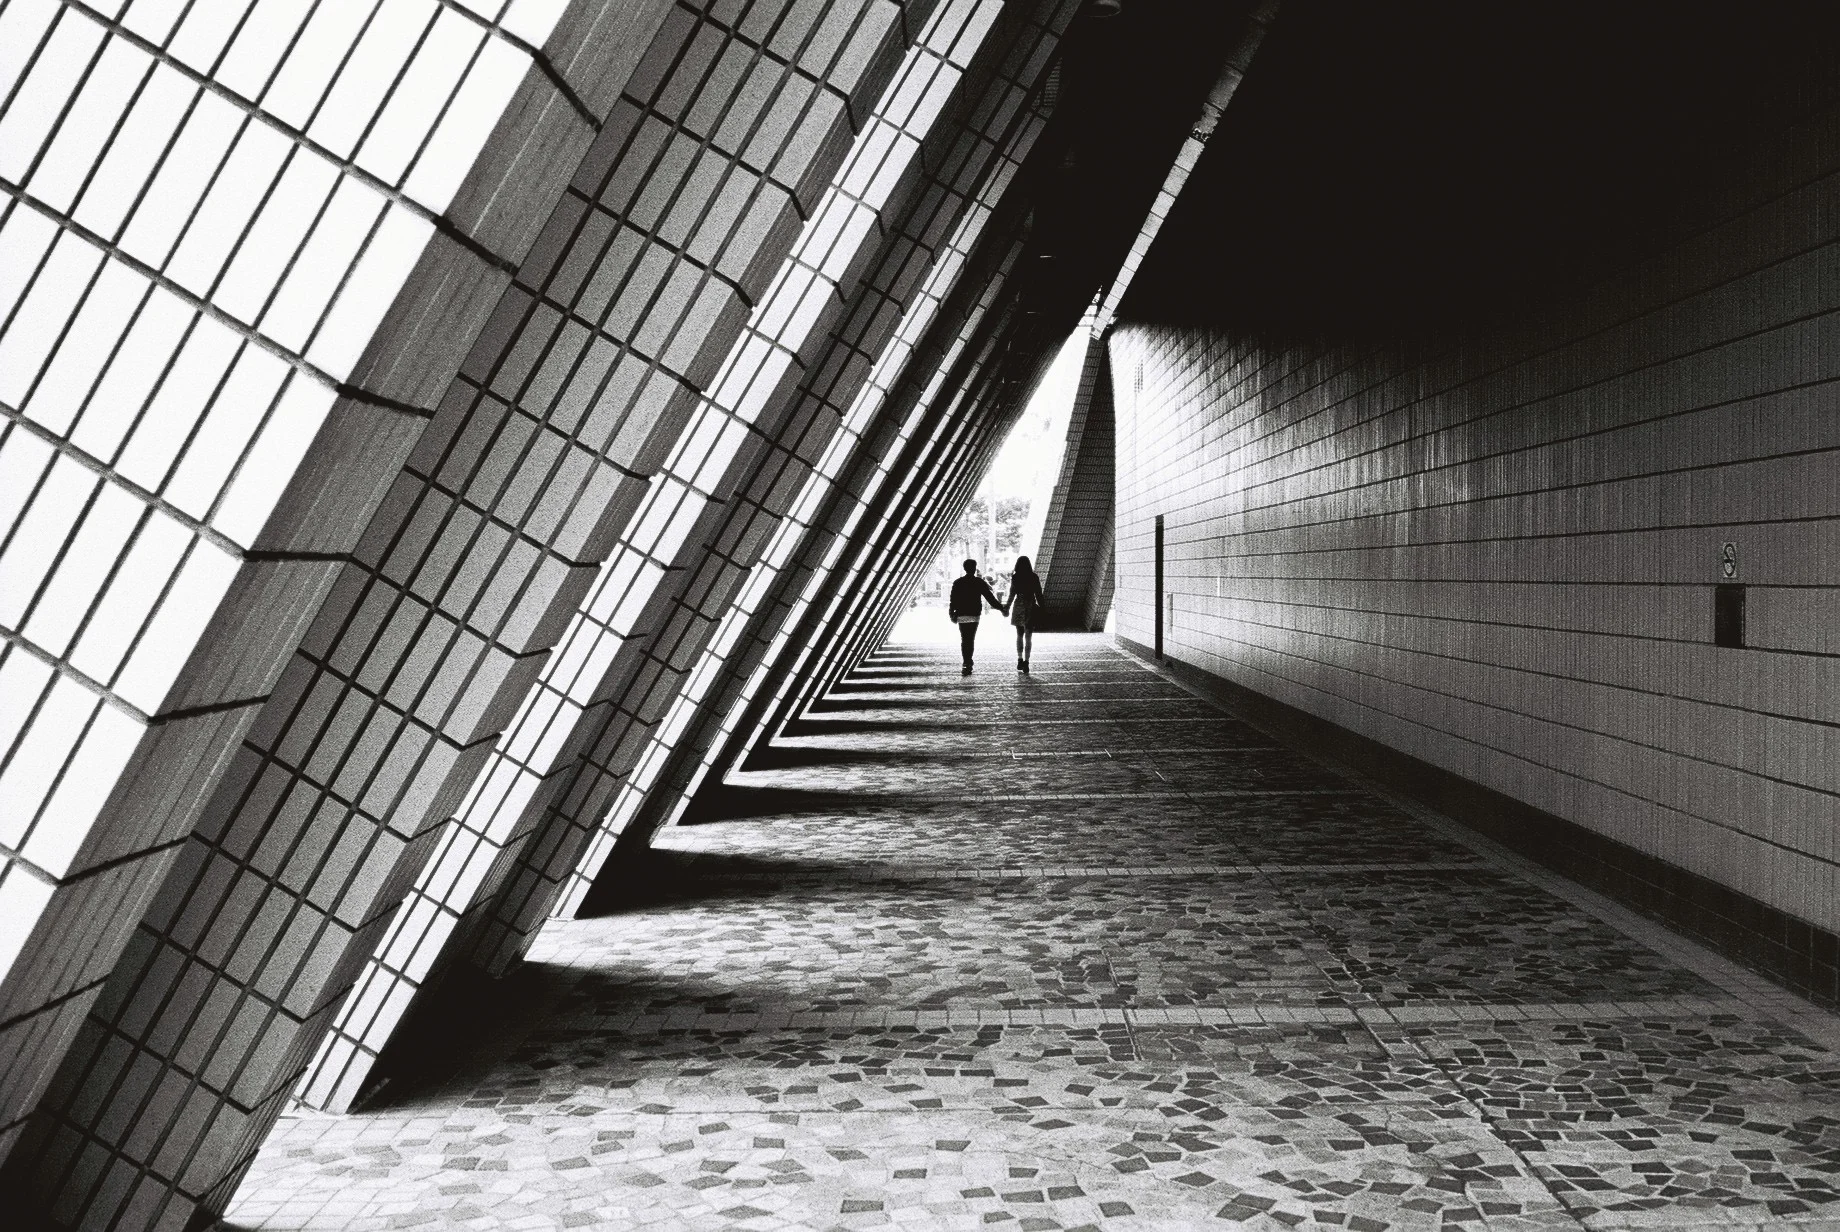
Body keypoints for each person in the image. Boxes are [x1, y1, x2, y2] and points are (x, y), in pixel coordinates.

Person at [947, 559, 1007, 675]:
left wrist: (951, 614)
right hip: (974, 614)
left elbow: (953, 600)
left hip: (961, 614)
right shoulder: (979, 582)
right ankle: (968, 662)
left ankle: (966, 662)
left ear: (964, 568)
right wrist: (1001, 608)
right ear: (975, 569)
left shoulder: (958, 582)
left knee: (964, 639)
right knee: (970, 639)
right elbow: (990, 598)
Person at [1008, 555, 1045, 673]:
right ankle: (1026, 662)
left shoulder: (1015, 577)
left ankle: (1019, 659)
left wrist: (1007, 607)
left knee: (1019, 635)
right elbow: (1038, 593)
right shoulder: (1034, 577)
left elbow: (1012, 593)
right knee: (1028, 636)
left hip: (1018, 605)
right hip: (1030, 605)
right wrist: (1043, 607)